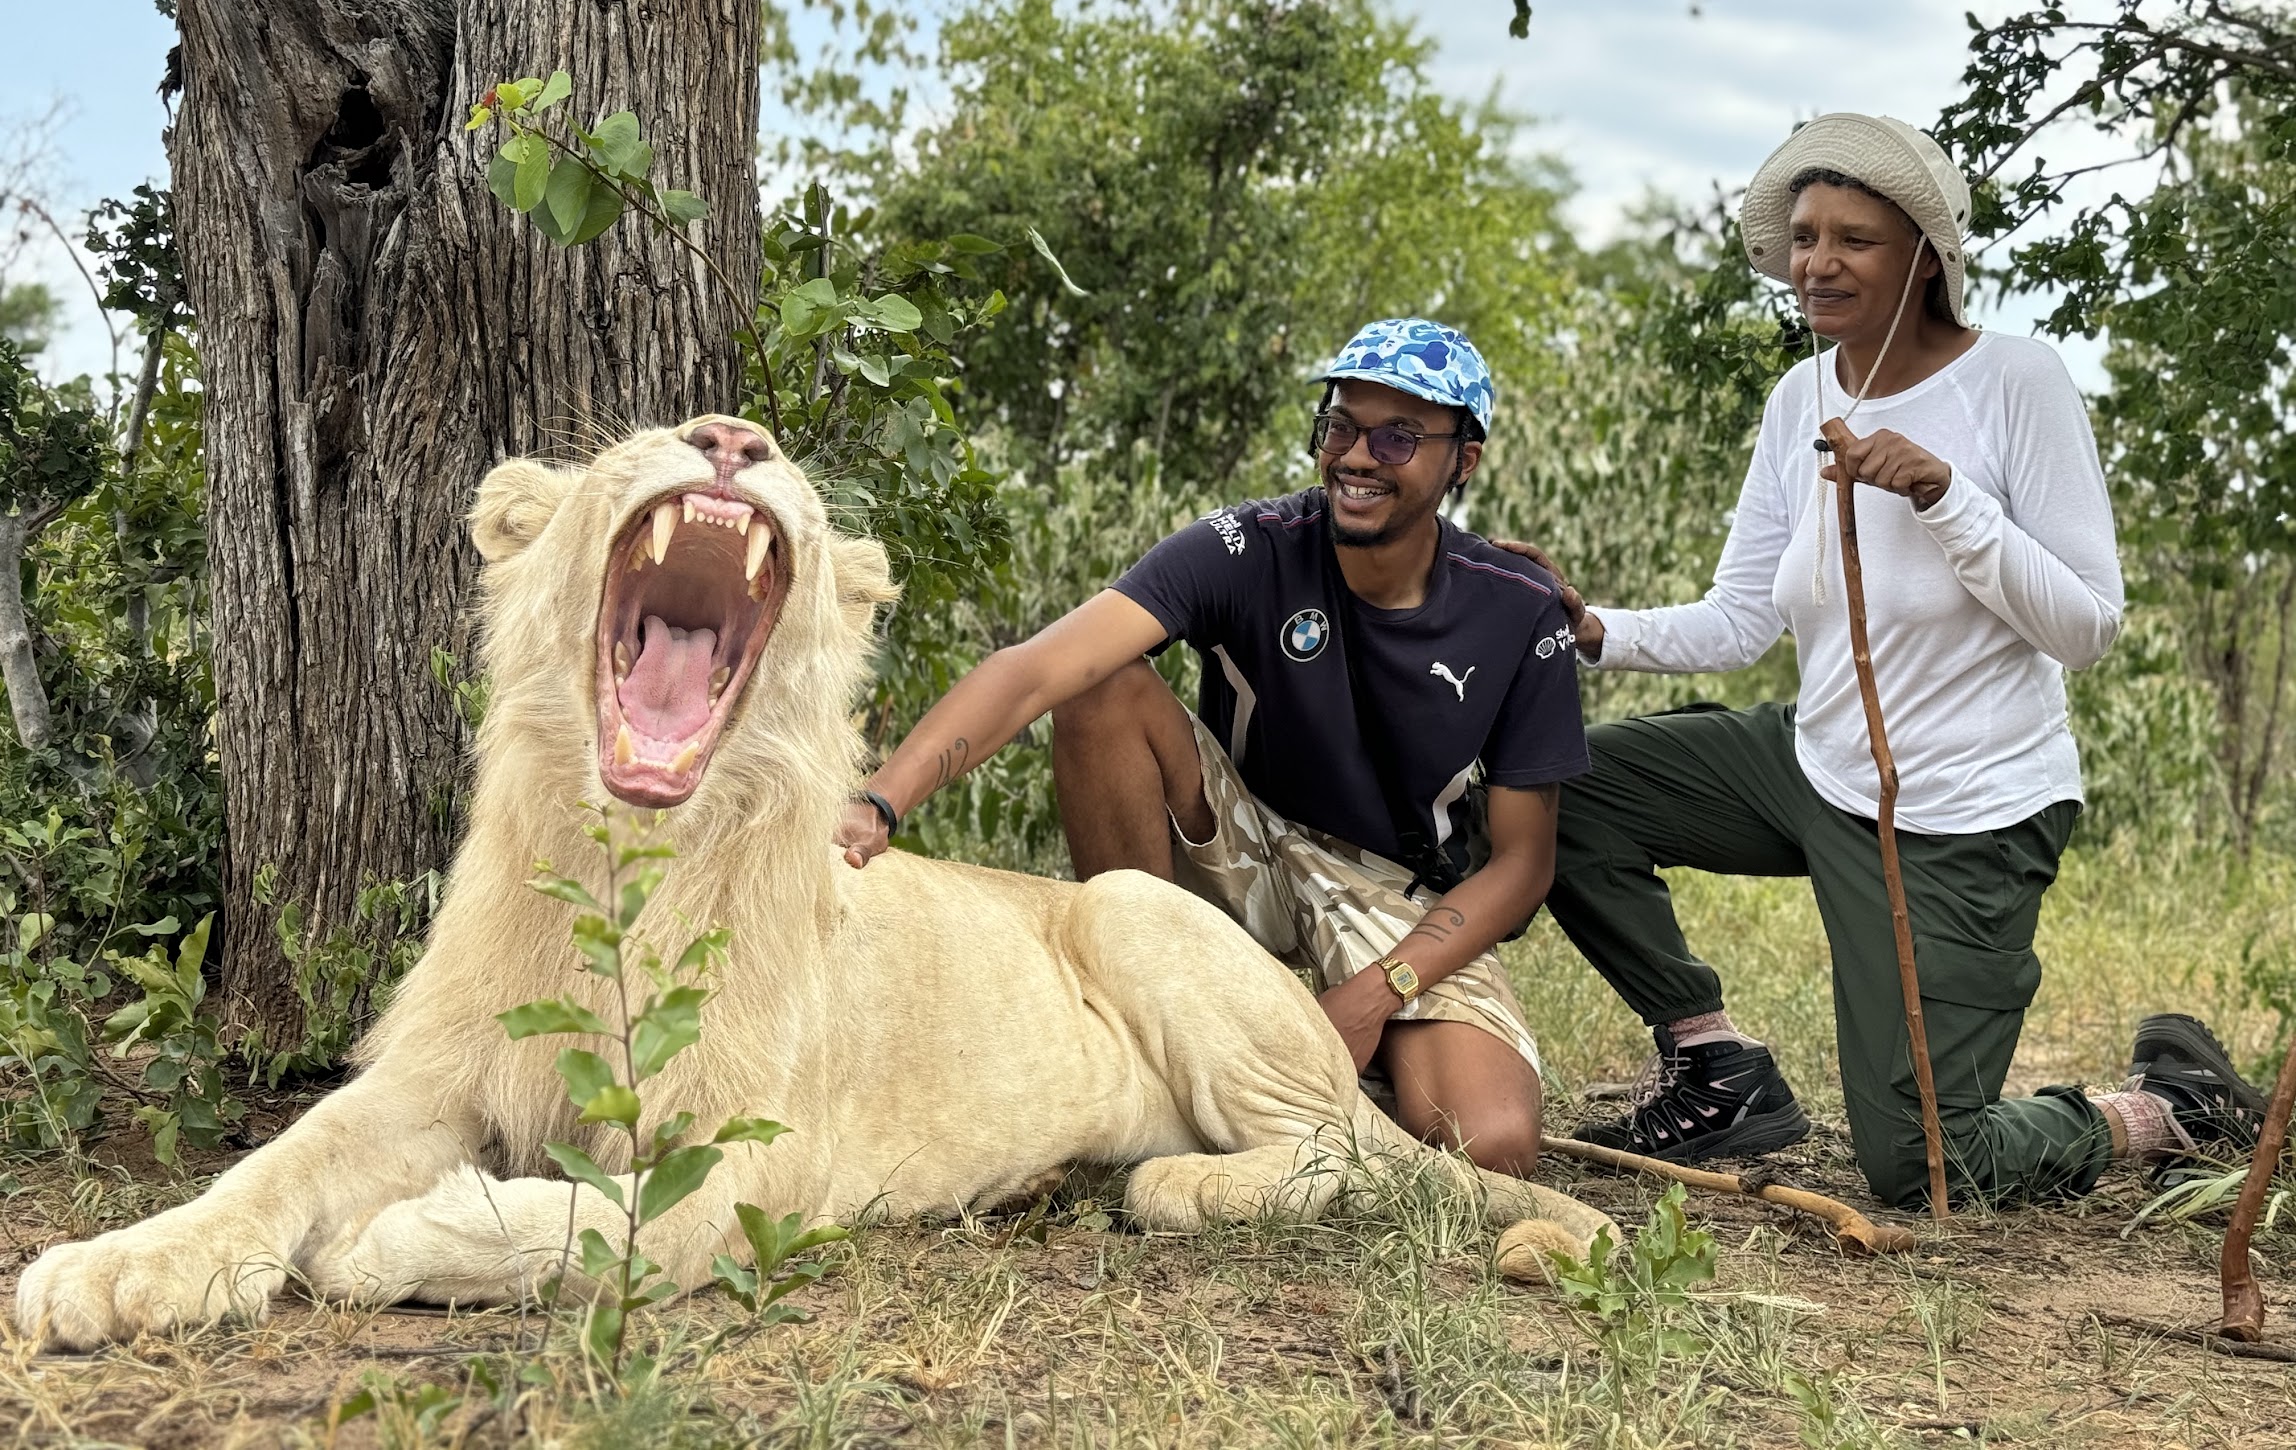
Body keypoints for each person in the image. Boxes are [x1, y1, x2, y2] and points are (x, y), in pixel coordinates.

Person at [1512, 112, 2268, 1209]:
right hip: (1814, 764)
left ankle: (2166, 1110)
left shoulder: (2016, 382)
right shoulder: (1800, 398)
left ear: (1924, 254)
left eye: (1852, 239)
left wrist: (1944, 496)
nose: (1816, 261)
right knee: (1563, 789)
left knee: (1924, 1166)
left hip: (1961, 813)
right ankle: (1714, 1061)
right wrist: (1591, 629)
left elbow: (2087, 627)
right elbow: (1739, 621)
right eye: (1805, 236)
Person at [834, 320, 1591, 1173]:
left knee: (1486, 1145)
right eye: (1339, 425)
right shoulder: (1247, 545)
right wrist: (878, 801)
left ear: (1464, 459)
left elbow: (1522, 865)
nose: (1356, 457)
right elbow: (1037, 670)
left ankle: (1337, 1061)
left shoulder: (1517, 608)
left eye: (1398, 437)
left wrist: (1378, 994)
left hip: (1388, 888)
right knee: (1102, 683)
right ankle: (1145, 1022)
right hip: (1239, 835)